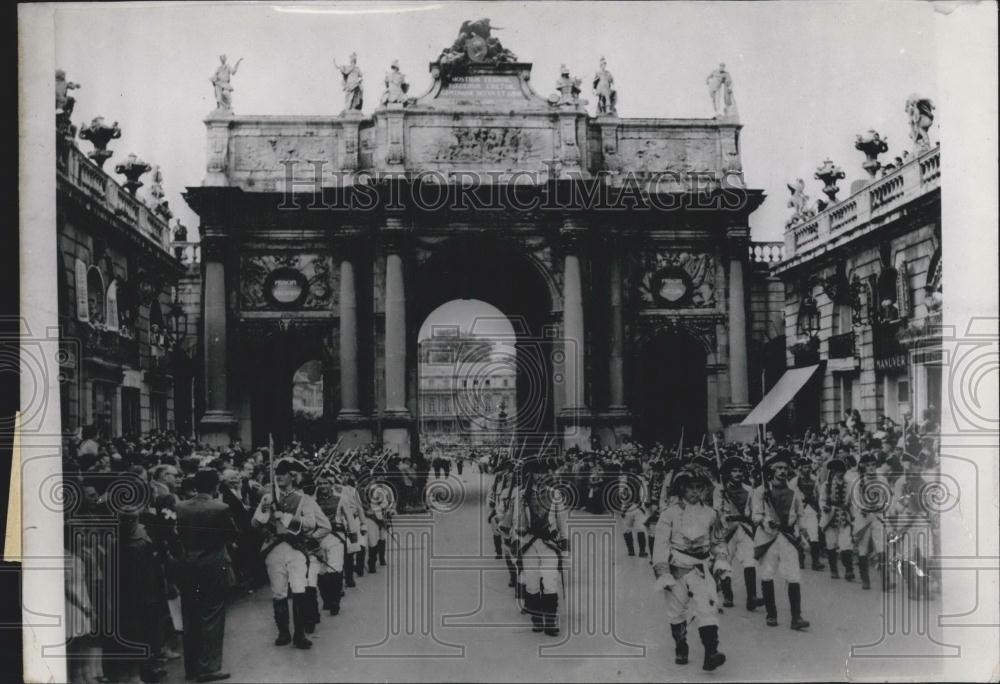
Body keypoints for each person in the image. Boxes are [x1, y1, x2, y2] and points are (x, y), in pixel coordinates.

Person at [652, 469, 728, 670]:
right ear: (682, 488)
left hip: (701, 567)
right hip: (677, 566)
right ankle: (681, 645)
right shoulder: (669, 514)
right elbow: (660, 543)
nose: (695, 492)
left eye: (699, 488)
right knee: (676, 611)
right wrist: (663, 571)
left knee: (708, 607)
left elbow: (718, 541)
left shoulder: (712, 514)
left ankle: (711, 653)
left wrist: (721, 559)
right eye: (691, 488)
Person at [251, 457, 324, 649]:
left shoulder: (303, 499)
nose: (279, 477)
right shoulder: (268, 498)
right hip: (273, 547)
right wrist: (264, 513)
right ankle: (283, 632)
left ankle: (299, 635)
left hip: (295, 548)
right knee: (278, 592)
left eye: (283, 474)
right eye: (277, 474)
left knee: (299, 588)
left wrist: (284, 517)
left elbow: (310, 524)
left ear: (292, 476)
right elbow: (254, 525)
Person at [175, 468, 237, 683]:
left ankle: (191, 668)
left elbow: (177, 535)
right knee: (212, 615)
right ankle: (209, 667)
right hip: (213, 565)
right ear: (215, 486)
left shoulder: (180, 507)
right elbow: (231, 534)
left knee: (190, 616)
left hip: (188, 565)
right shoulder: (221, 508)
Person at [751, 452, 811, 631]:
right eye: (779, 468)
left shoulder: (794, 492)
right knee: (767, 574)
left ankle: (796, 617)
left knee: (793, 575)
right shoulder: (761, 491)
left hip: (788, 537)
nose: (783, 471)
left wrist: (802, 532)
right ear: (772, 469)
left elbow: (800, 515)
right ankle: (771, 614)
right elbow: (755, 514)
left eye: (785, 468)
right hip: (768, 538)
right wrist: (764, 521)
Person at [517, 457, 568, 636]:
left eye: (542, 472)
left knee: (550, 582)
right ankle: (537, 618)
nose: (539, 476)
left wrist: (565, 544)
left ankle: (551, 621)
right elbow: (515, 520)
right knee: (531, 584)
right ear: (529, 474)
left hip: (550, 545)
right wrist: (517, 537)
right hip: (528, 545)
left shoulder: (555, 494)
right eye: (536, 472)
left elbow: (562, 521)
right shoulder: (521, 494)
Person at [715, 456, 763, 610]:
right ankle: (728, 595)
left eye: (740, 471)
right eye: (734, 471)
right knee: (725, 563)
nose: (737, 474)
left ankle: (752, 598)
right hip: (727, 530)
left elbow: (754, 510)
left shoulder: (750, 490)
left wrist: (755, 520)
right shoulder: (720, 490)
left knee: (750, 561)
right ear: (728, 474)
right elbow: (717, 511)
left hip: (744, 528)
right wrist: (723, 516)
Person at [819, 457, 854, 581]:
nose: (839, 473)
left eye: (841, 471)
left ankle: (849, 570)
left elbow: (852, 501)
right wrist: (825, 507)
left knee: (846, 543)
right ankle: (834, 569)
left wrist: (852, 514)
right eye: (836, 471)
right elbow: (822, 500)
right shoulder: (826, 485)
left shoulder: (850, 483)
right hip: (830, 517)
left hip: (844, 515)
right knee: (831, 543)